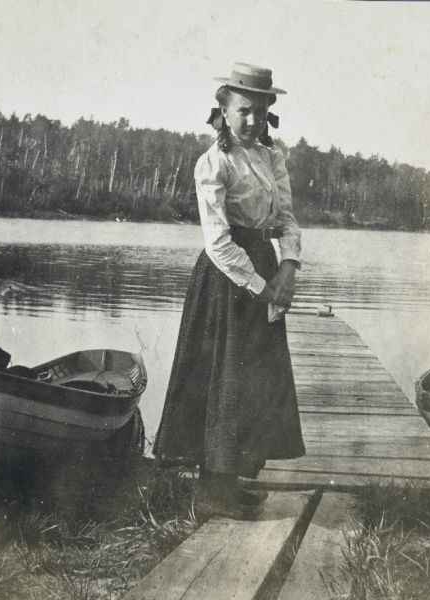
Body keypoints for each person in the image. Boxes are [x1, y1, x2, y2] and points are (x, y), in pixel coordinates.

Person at [153, 63, 305, 518]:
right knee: (222, 378)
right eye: (245, 111)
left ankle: (232, 480)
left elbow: (287, 219)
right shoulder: (213, 161)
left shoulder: (271, 158)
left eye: (261, 111)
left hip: (263, 267)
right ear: (223, 109)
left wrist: (289, 269)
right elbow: (217, 240)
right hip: (226, 280)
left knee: (255, 379)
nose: (254, 120)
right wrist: (261, 287)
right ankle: (210, 492)